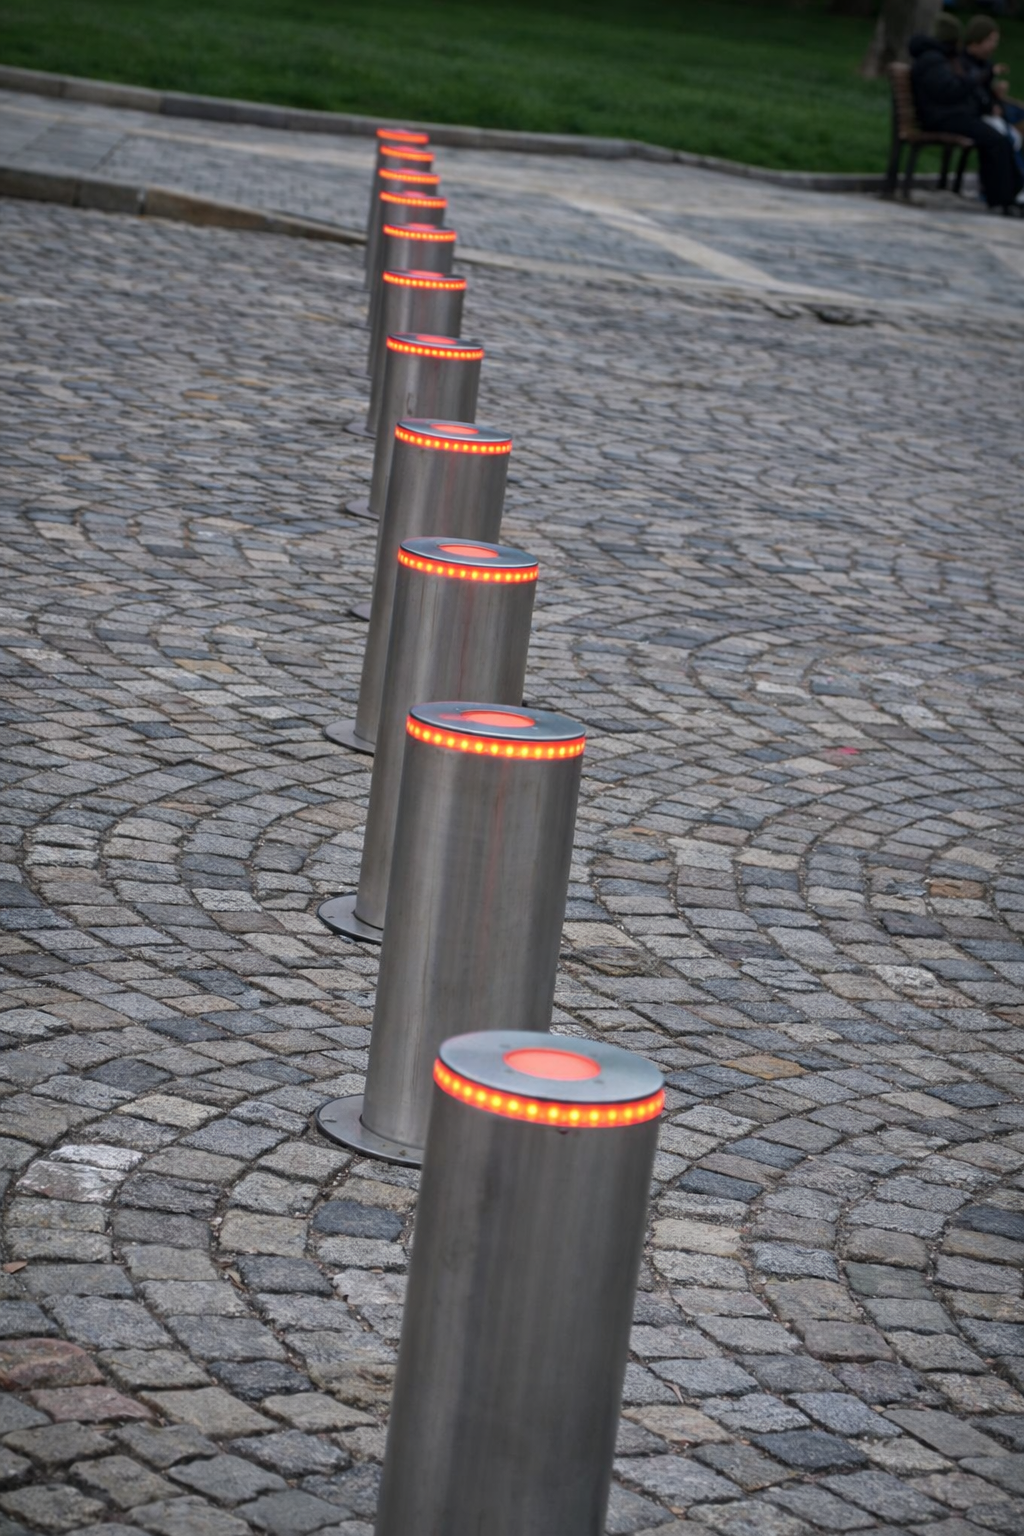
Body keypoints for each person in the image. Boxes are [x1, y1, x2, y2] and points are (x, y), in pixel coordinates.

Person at [909, 16, 1023, 211]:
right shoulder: (933, 59)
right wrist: (975, 81)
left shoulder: (939, 58)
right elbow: (947, 92)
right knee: (995, 140)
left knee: (998, 139)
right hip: (942, 118)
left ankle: (1007, 195)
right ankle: (1003, 198)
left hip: (951, 115)